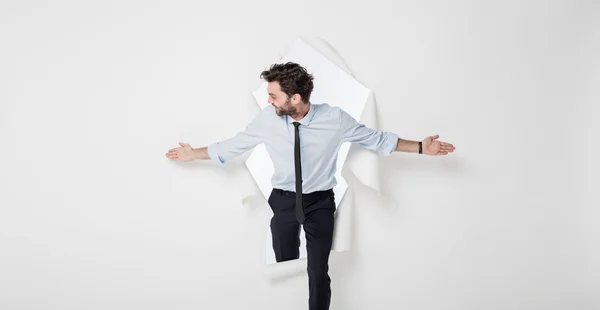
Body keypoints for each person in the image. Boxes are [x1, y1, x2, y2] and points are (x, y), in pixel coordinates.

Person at [165, 62, 455, 310]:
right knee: (284, 268)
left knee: (318, 272)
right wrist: (194, 153)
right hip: (282, 201)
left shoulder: (335, 119)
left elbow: (376, 139)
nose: (269, 101)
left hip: (319, 204)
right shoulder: (268, 120)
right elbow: (233, 146)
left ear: (296, 98)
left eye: (273, 96)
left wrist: (419, 147)